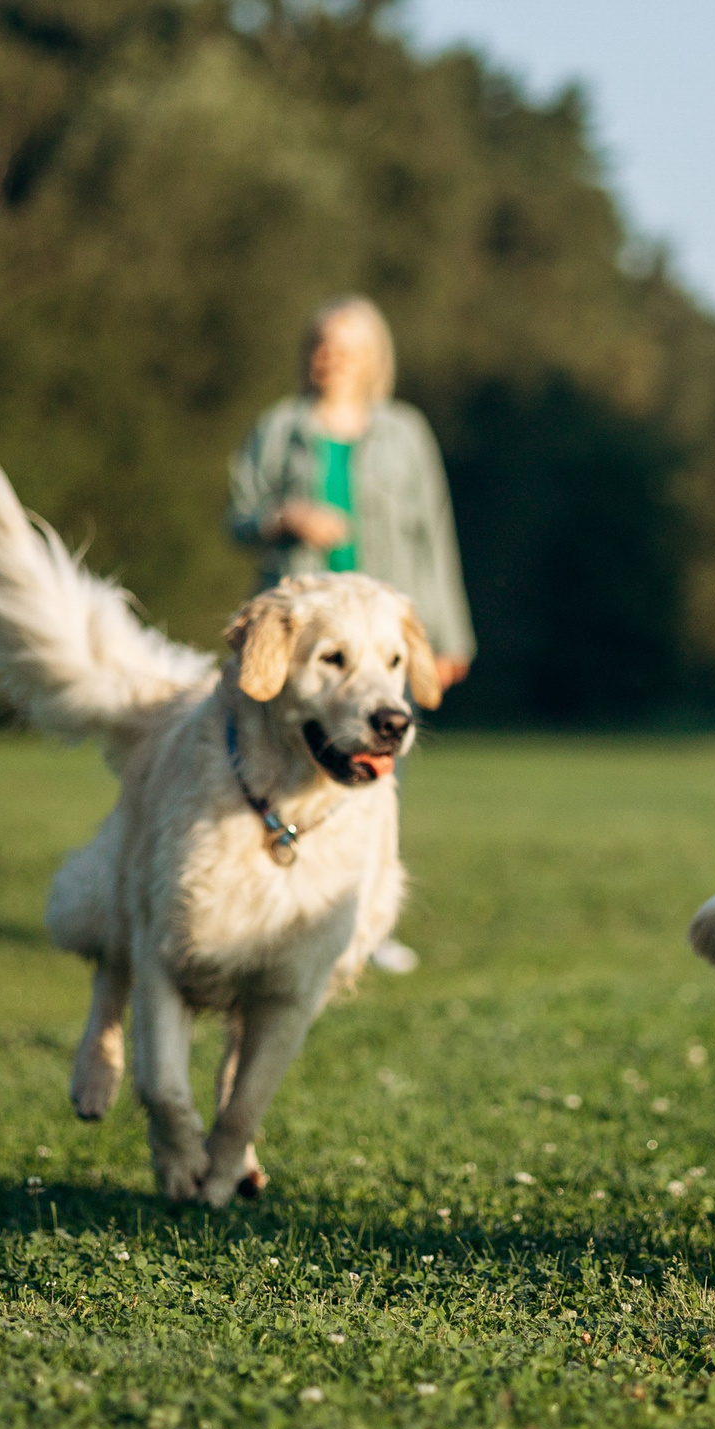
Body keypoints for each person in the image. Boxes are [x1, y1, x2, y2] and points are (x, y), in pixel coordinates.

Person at [228, 295, 475, 972]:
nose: (327, 356)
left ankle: (366, 917)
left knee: (376, 768)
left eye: (343, 345)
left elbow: (434, 534)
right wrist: (283, 518)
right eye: (319, 343)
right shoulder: (278, 428)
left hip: (384, 629)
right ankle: (272, 908)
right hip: (306, 634)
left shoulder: (405, 433)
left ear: (373, 357)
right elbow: (238, 517)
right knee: (277, 766)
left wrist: (449, 636)